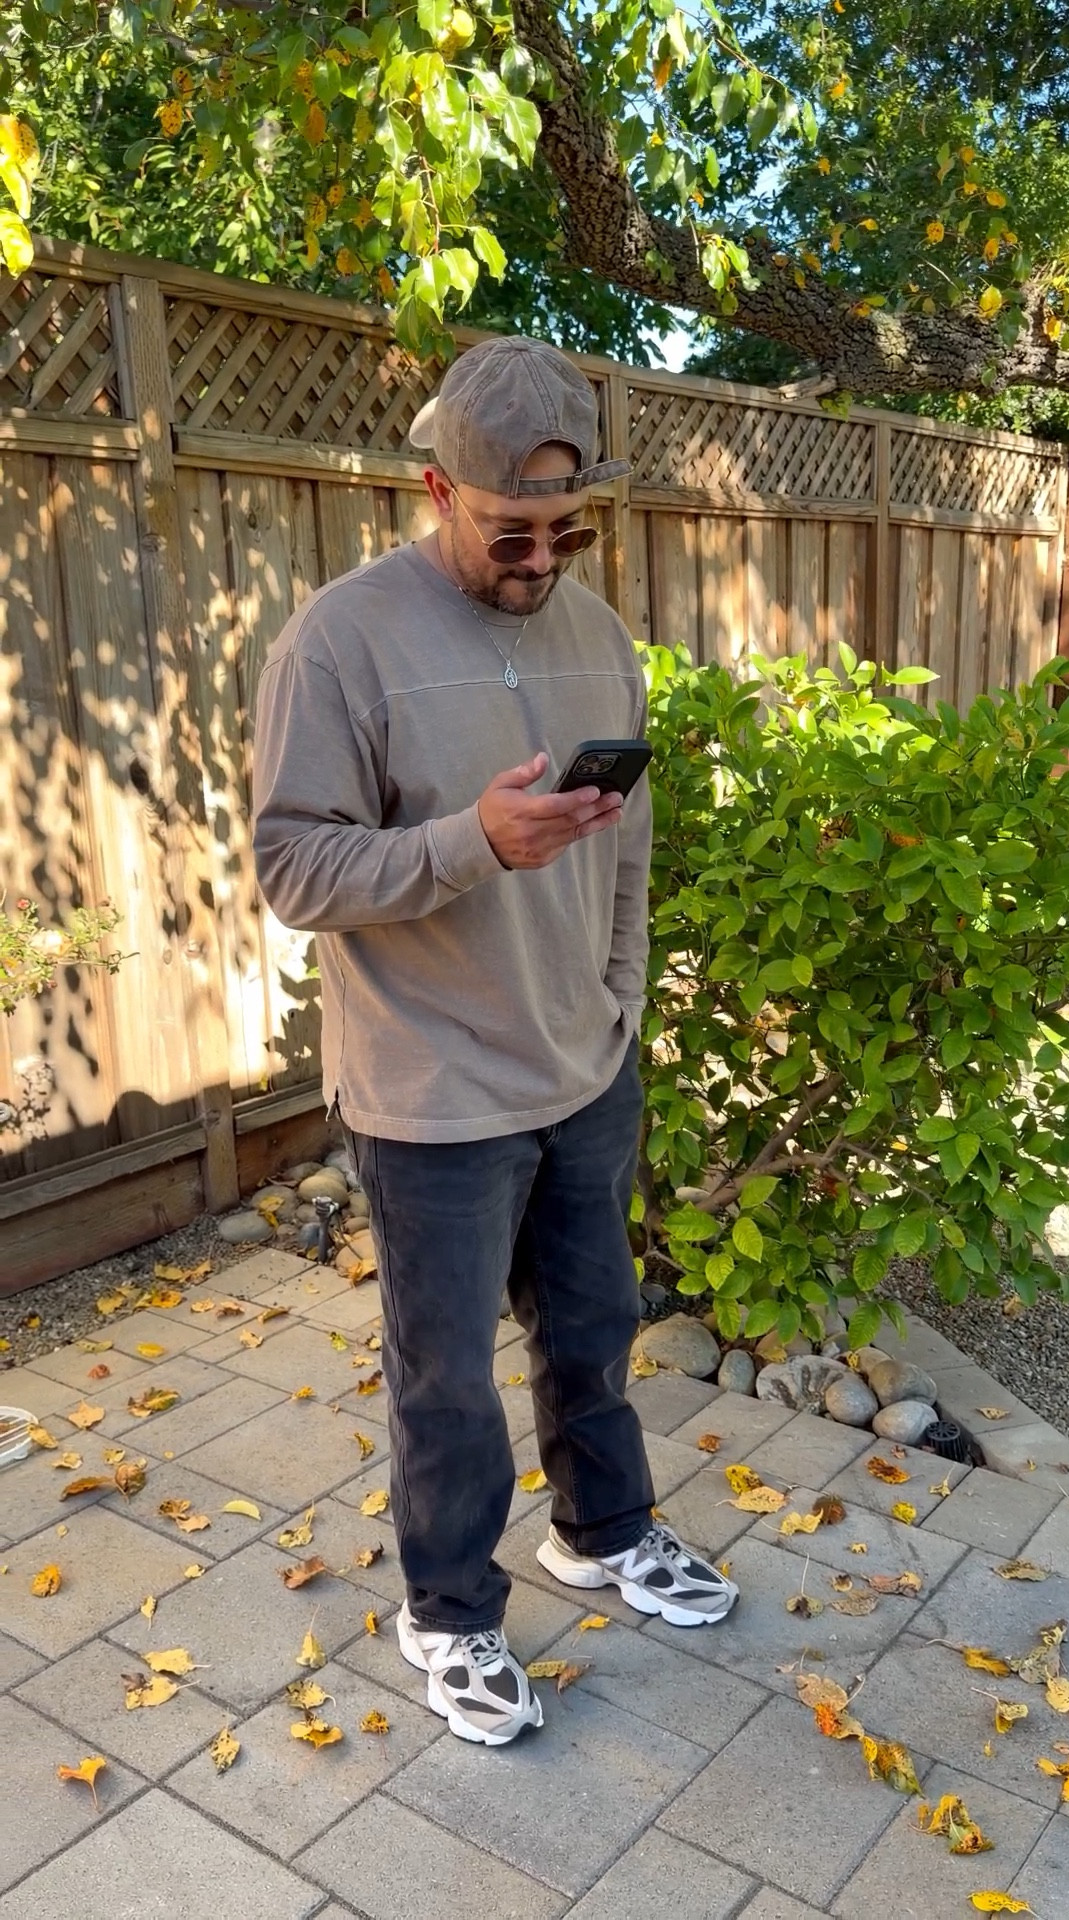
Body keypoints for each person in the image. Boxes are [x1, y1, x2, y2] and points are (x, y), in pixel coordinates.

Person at [252, 335, 738, 1749]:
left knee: (592, 1332)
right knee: (447, 1380)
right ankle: (450, 1614)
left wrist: (619, 995)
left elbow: (627, 848)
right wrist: (472, 843)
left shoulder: (595, 635)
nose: (542, 557)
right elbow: (293, 870)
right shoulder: (337, 644)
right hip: (429, 1091)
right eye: (511, 530)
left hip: (583, 1067)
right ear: (433, 490)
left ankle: (604, 1532)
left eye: (567, 525)